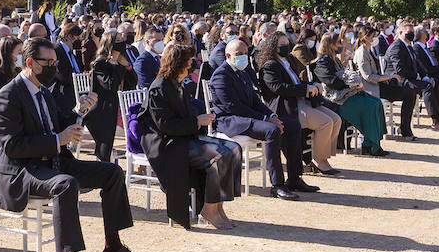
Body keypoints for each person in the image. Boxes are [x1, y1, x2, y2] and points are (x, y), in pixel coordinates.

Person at [0, 36, 151, 252]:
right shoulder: (9, 95)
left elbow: (58, 125)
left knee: (111, 172)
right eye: (49, 62)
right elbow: (12, 146)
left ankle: (113, 247)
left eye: (56, 61)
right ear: (30, 63)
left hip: (50, 162)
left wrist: (79, 111)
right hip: (21, 171)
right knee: (66, 185)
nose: (55, 66)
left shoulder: (42, 90)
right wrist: (57, 140)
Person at [141, 42, 238, 229]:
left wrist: (198, 120)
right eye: (188, 61)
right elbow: (165, 125)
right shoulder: (159, 88)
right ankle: (208, 208)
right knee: (219, 155)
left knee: (233, 149)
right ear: (177, 63)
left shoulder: (177, 84)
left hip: (183, 136)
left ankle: (218, 207)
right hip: (166, 143)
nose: (191, 64)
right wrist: (196, 122)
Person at [210, 38, 304, 199]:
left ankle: (294, 178)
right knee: (272, 131)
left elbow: (255, 101)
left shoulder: (243, 73)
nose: (243, 57)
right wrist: (265, 119)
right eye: (239, 54)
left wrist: (272, 115)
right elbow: (233, 107)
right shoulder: (221, 75)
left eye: (246, 53)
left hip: (247, 118)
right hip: (230, 121)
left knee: (293, 125)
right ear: (227, 55)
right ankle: (277, 185)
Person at [257, 31, 341, 176]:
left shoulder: (287, 61)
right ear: (272, 47)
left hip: (300, 101)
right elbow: (279, 88)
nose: (286, 47)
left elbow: (296, 82)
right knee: (325, 123)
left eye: (287, 43)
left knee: (336, 119)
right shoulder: (270, 66)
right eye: (282, 45)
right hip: (287, 106)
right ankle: (318, 160)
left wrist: (313, 84)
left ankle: (323, 156)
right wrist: (306, 89)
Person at [311, 33, 387, 156]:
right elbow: (331, 82)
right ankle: (371, 145)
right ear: (331, 45)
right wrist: (352, 85)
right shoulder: (322, 62)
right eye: (338, 43)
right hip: (335, 99)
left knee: (376, 102)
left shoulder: (335, 59)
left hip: (346, 94)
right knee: (369, 106)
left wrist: (354, 86)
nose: (341, 45)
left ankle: (370, 143)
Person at [384, 20, 439, 134]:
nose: (411, 34)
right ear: (400, 32)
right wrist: (417, 76)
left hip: (409, 78)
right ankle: (435, 120)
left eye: (412, 32)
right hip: (397, 81)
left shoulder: (408, 46)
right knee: (426, 87)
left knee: (435, 82)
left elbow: (416, 65)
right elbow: (400, 70)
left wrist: (424, 76)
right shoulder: (396, 47)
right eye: (408, 32)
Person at [83, 31, 126, 162]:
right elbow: (110, 84)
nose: (121, 44)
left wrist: (124, 65)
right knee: (104, 146)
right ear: (110, 44)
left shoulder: (118, 61)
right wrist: (115, 67)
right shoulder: (100, 64)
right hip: (101, 109)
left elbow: (131, 81)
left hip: (113, 106)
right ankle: (104, 166)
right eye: (117, 41)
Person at [135, 26, 164, 90]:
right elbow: (145, 84)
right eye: (157, 40)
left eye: (162, 40)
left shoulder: (159, 58)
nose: (161, 43)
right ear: (147, 42)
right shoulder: (142, 61)